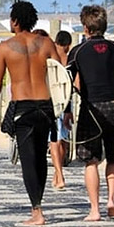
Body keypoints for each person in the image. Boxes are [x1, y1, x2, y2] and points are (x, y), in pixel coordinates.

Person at [0, 1, 60, 226]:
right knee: (40, 157)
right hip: (45, 106)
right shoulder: (46, 43)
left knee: (28, 159)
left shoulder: (6, 47)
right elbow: (59, 77)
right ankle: (38, 203)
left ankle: (37, 211)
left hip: (23, 107)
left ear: (15, 21)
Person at [65, 5, 114, 221]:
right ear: (105, 25)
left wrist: (65, 110)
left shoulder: (78, 51)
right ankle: (112, 201)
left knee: (91, 161)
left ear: (85, 28)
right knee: (113, 156)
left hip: (91, 108)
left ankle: (95, 209)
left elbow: (64, 83)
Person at [50, 30, 73, 190]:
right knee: (63, 139)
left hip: (52, 101)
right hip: (67, 102)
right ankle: (58, 173)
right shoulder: (70, 59)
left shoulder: (50, 56)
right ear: (68, 45)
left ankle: (59, 174)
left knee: (54, 140)